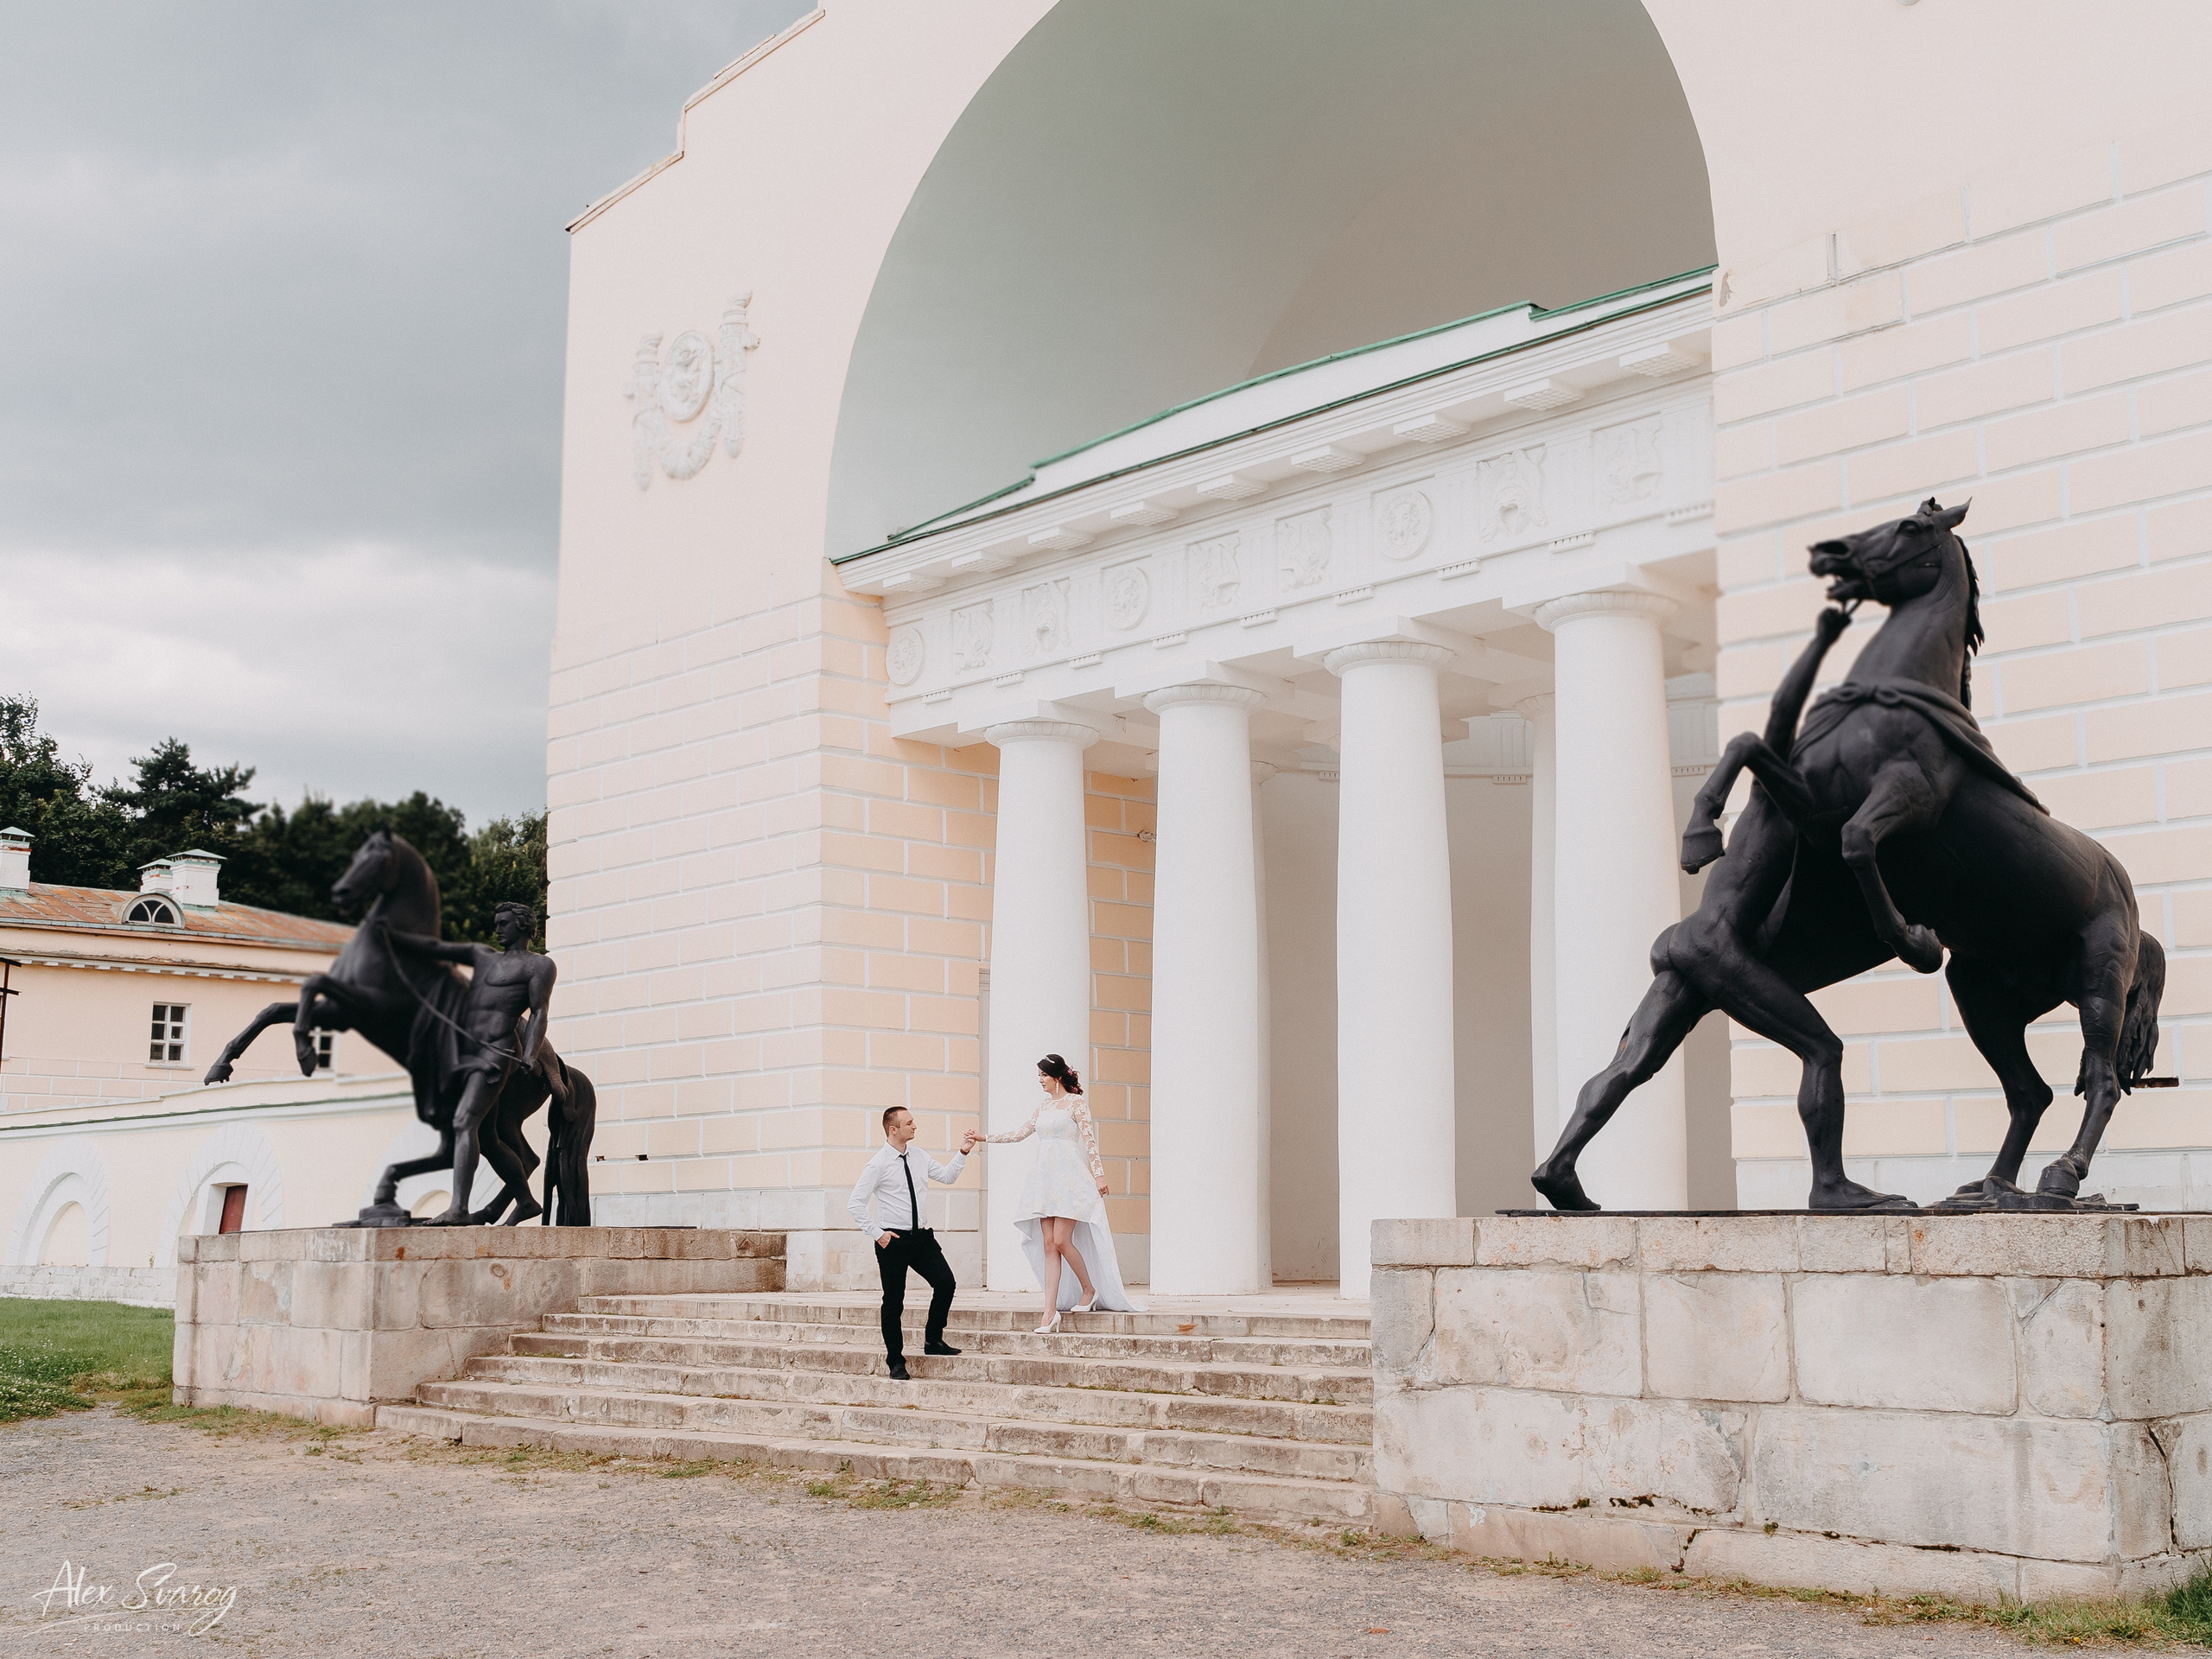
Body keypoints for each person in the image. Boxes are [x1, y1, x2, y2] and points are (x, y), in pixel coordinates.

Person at [380, 901, 556, 1226]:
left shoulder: (539, 966)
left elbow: (539, 1012)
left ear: (522, 926)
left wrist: (530, 1054)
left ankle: (458, 1208)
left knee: (464, 1123)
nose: (498, 928)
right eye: (496, 922)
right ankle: (526, 1201)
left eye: (504, 923)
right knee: (487, 1139)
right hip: (466, 1053)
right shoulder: (483, 956)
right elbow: (437, 948)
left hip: (496, 1053)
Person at [963, 1053, 1143, 1332]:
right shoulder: (1043, 1107)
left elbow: (1089, 1140)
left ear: (1057, 1076)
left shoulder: (1076, 1103)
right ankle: (1049, 1312)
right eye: (1039, 1076)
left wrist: (1099, 1174)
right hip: (1044, 1181)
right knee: (1049, 1245)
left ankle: (1089, 1289)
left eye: (1043, 1076)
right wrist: (983, 1138)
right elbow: (1019, 1133)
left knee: (1061, 1240)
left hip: (1069, 1179)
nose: (1040, 1081)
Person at [848, 1106, 970, 1380]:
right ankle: (895, 1361)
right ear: (894, 1129)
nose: (914, 1127)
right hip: (893, 1239)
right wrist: (877, 1233)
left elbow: (948, 1176)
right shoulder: (877, 1164)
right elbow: (855, 1204)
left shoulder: (920, 1156)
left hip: (922, 1238)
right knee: (893, 1302)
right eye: (909, 1123)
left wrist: (962, 1152)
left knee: (946, 1283)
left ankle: (933, 1341)